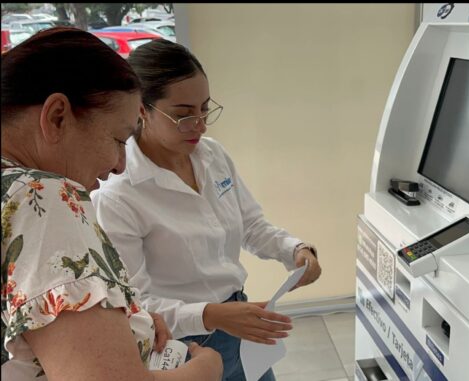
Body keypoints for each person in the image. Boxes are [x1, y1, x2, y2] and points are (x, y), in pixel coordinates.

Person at [91, 39, 322, 381]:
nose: (200, 125)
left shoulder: (211, 155)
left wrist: (295, 250)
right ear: (141, 110)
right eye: (183, 115)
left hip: (240, 320)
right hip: (183, 345)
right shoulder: (119, 195)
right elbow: (136, 304)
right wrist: (211, 315)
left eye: (205, 108)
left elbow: (251, 224)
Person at [1, 27, 223, 381]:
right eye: (119, 139)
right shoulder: (40, 198)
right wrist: (205, 370)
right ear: (57, 116)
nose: (120, 164)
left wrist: (118, 329)